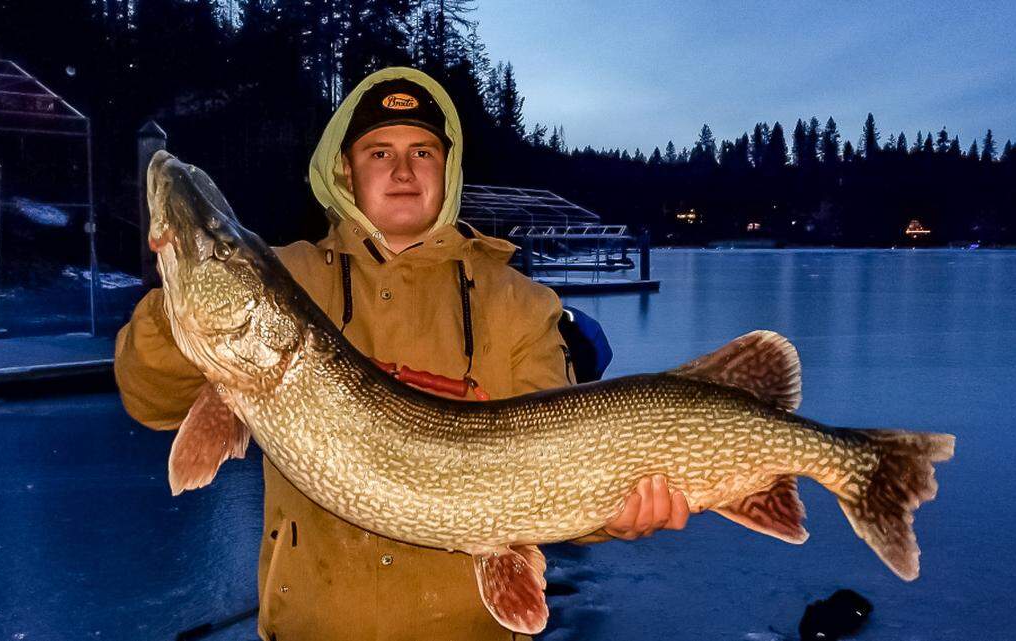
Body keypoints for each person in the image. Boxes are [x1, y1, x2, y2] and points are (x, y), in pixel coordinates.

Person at [114, 67, 689, 641]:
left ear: (448, 168)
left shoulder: (520, 303)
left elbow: (554, 470)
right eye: (379, 152)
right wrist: (177, 300)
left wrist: (615, 516)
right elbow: (151, 398)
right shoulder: (292, 275)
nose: (404, 171)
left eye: (423, 151)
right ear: (345, 170)